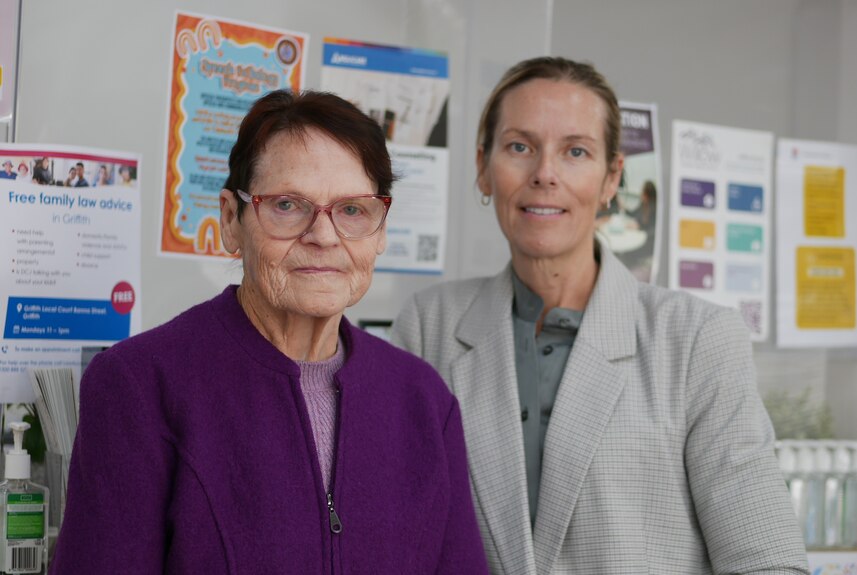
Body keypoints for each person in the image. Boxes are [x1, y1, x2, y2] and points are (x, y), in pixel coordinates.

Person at [392, 57, 808, 574]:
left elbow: (766, 558)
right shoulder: (429, 326)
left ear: (612, 179)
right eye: (520, 147)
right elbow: (395, 539)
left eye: (576, 152)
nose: (545, 174)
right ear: (483, 167)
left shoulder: (697, 340)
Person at [51, 90, 488, 574]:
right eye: (286, 205)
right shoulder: (138, 385)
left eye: (352, 211)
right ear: (230, 221)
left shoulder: (424, 400)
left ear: (380, 230)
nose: (323, 236)